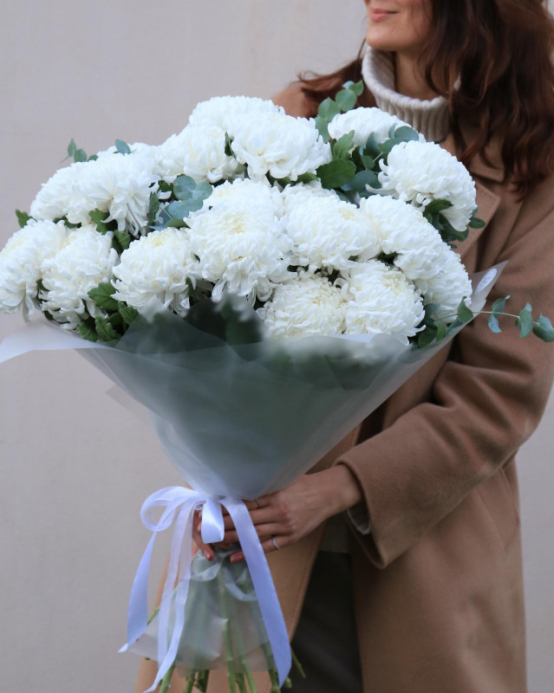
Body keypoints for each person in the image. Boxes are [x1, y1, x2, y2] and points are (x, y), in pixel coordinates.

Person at [135, 1, 554, 691]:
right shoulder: (296, 118)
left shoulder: (531, 166)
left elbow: (498, 397)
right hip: (256, 547)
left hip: (421, 568)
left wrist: (336, 489)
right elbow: (207, 303)